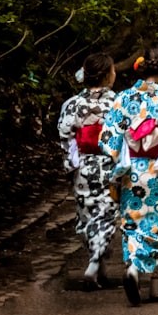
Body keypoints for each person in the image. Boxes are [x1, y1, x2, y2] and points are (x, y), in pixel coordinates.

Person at [99, 45, 158, 306]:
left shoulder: (123, 99)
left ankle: (132, 269)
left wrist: (120, 157)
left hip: (131, 171)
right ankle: (154, 286)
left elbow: (108, 139)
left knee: (133, 220)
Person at [56, 52, 118, 289]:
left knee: (87, 213)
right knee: (108, 213)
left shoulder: (72, 104)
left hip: (84, 165)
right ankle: (95, 263)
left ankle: (98, 266)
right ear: (107, 75)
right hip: (110, 165)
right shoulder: (118, 102)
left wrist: (71, 163)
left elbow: (65, 135)